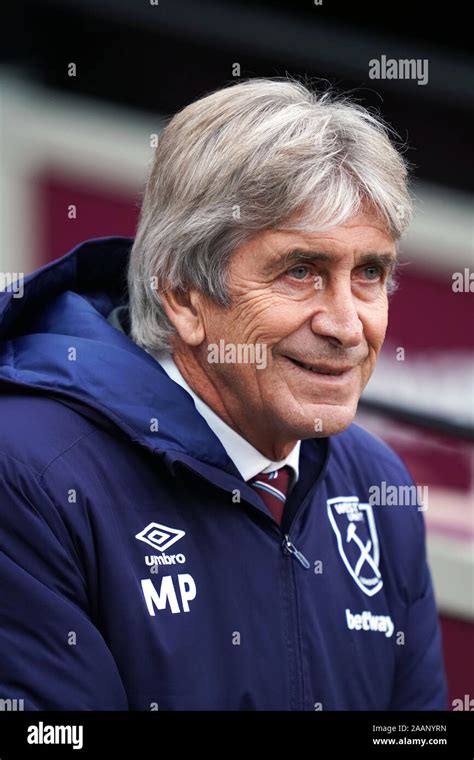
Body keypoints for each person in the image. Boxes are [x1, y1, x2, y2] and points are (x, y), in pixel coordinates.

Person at [0, 78, 447, 710]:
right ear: (182, 296)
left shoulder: (376, 483)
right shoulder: (27, 474)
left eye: (369, 273)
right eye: (301, 272)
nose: (348, 325)